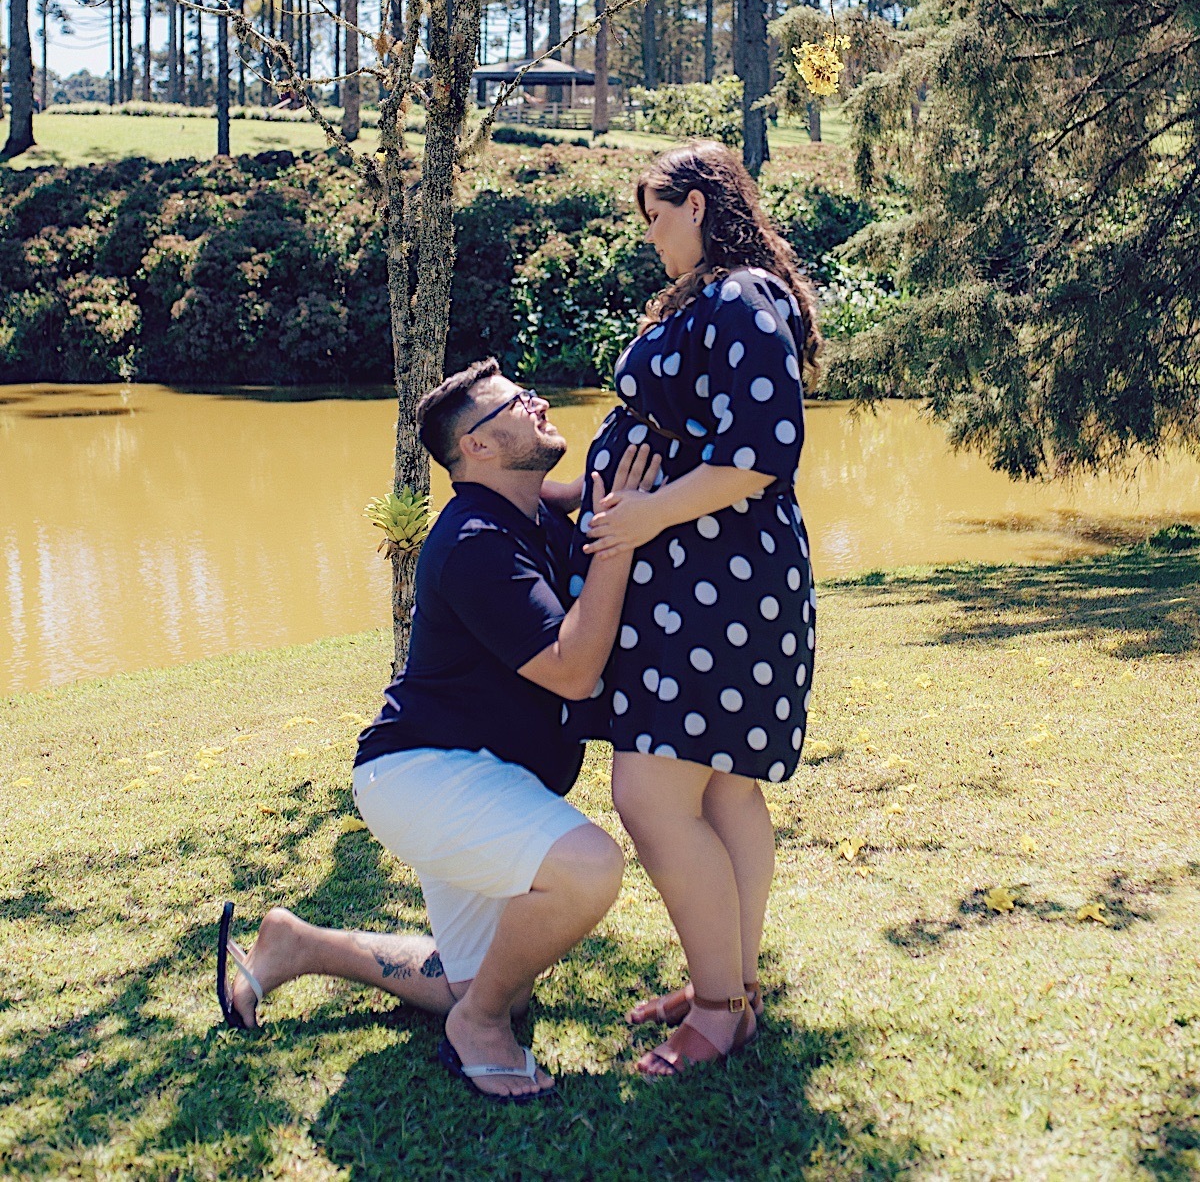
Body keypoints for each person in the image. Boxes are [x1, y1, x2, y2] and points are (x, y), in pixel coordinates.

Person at [215, 359, 658, 1104]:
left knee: (486, 980)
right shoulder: (475, 540)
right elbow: (573, 670)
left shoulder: (527, 507)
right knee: (588, 870)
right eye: (517, 403)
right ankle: (477, 1029)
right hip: (423, 774)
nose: (537, 402)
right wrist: (617, 538)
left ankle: (299, 944)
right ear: (477, 446)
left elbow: (600, 490)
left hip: (472, 774)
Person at [562, 141, 821, 1079]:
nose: (651, 235)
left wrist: (641, 515)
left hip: (719, 583)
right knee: (721, 791)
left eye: (657, 215)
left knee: (652, 793)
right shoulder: (708, 297)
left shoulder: (742, 295)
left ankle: (717, 1011)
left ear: (701, 204)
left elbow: (760, 451)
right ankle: (732, 986)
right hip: (702, 578)